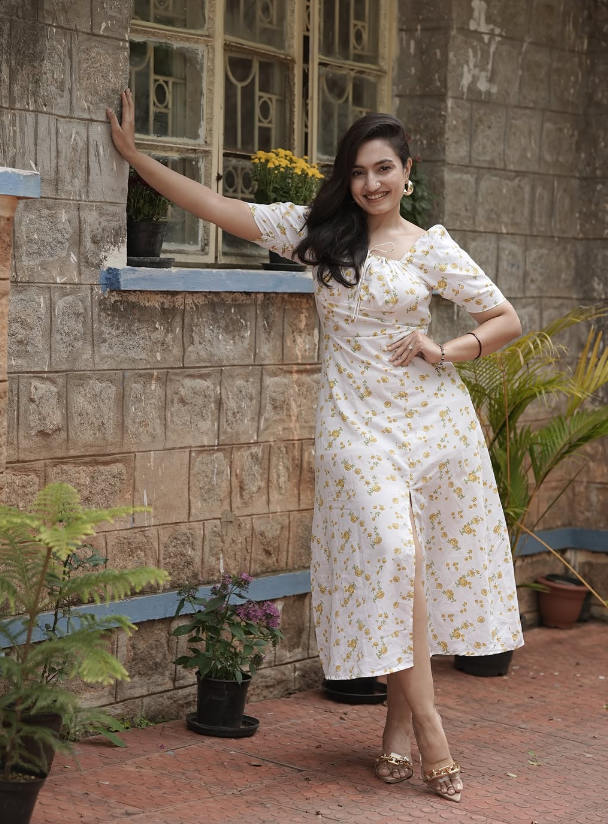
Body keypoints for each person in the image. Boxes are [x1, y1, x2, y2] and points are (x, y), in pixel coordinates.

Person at [107, 93, 524, 803]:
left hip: (434, 427)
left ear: (408, 171)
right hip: (355, 429)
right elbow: (218, 208)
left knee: (414, 570)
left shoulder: (431, 248)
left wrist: (445, 348)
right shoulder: (320, 235)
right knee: (392, 554)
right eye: (358, 171)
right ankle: (431, 728)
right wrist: (137, 158)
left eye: (384, 169)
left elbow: (504, 318)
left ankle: (396, 727)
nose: (371, 183)